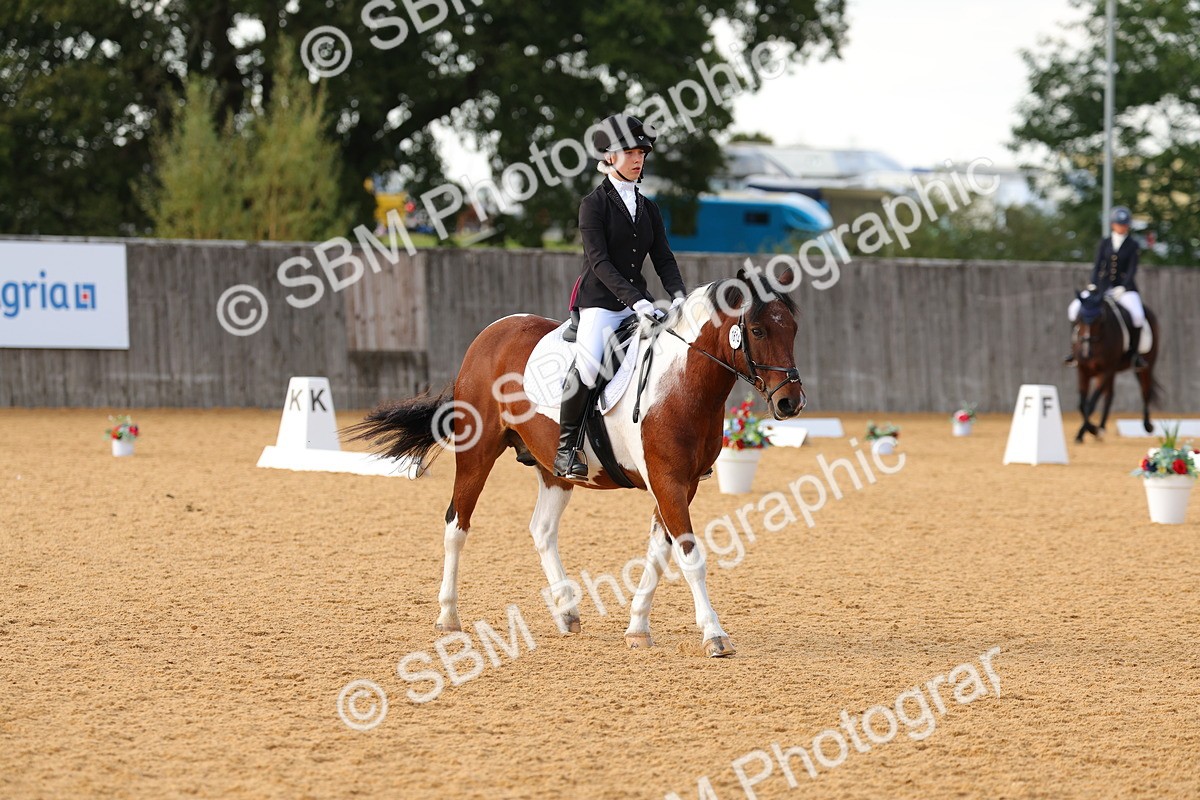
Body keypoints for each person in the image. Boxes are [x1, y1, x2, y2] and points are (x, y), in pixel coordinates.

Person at [553, 114, 688, 480]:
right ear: (610, 156)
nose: (638, 158)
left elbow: (663, 257)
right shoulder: (592, 205)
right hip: (599, 302)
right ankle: (566, 449)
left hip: (638, 301)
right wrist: (638, 301)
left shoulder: (649, 208)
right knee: (590, 364)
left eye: (642, 152)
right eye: (630, 151)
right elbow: (599, 262)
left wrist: (678, 296)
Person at [1065, 205, 1147, 369]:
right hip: (1102, 287)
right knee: (1074, 309)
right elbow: (1098, 266)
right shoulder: (1105, 243)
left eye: (1124, 224)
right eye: (1118, 224)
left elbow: (1132, 269)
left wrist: (1123, 287)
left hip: (1125, 289)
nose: (1122, 227)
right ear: (1112, 225)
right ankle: (1075, 351)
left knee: (1137, 316)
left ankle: (1134, 354)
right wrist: (1093, 283)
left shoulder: (1133, 245)